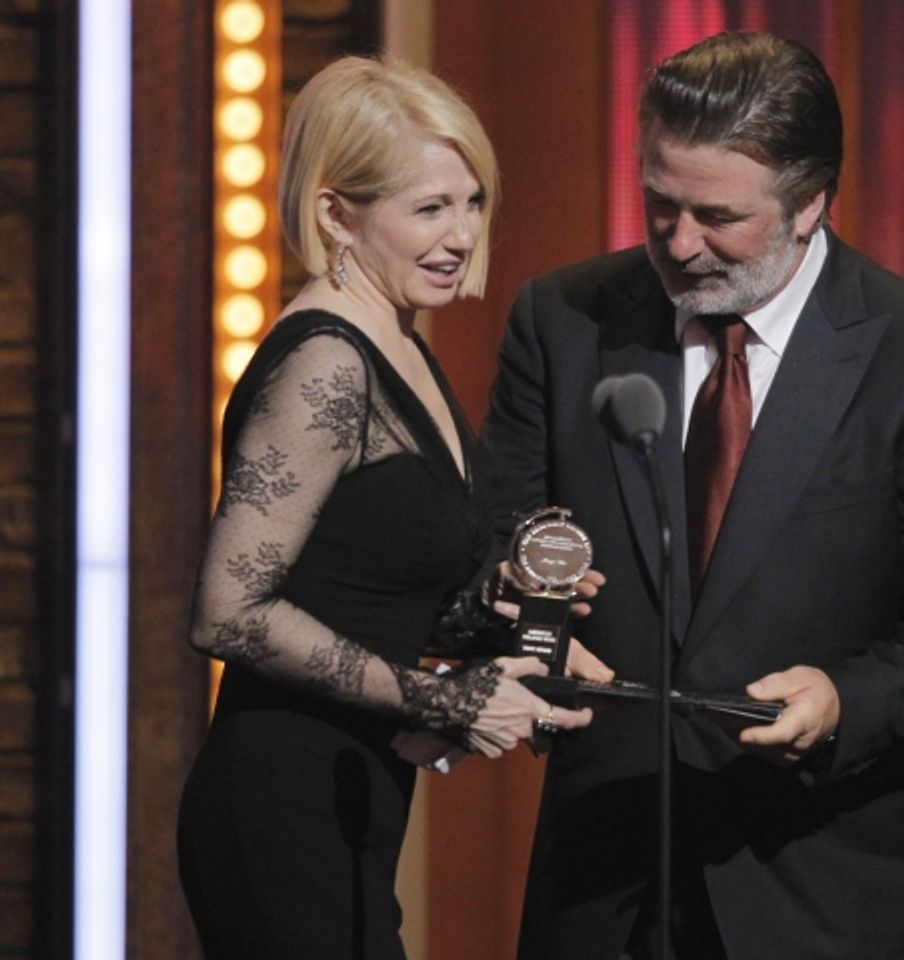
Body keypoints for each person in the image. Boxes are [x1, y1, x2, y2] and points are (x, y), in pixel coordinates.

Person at [480, 32, 904, 960]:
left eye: (716, 216)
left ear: (813, 202)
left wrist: (845, 698)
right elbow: (498, 533)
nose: (678, 241)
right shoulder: (563, 321)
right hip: (609, 882)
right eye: (659, 202)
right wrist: (528, 629)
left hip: (823, 888)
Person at [177, 56, 594, 960]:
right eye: (428, 208)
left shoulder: (397, 341)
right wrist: (442, 698)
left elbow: (364, 593)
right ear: (336, 214)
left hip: (354, 793)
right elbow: (228, 612)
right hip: (278, 799)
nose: (459, 234)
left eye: (471, 202)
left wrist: (508, 618)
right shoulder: (327, 363)